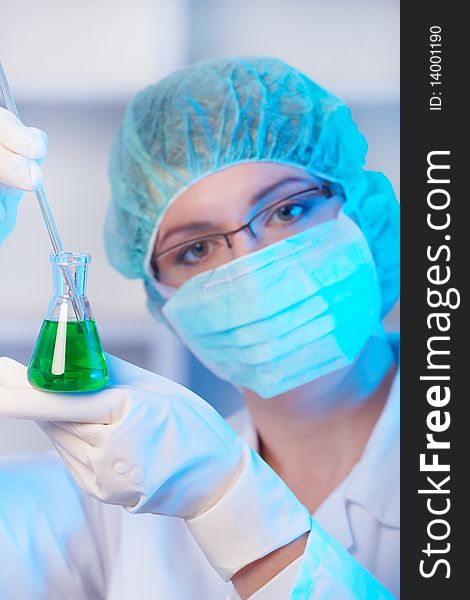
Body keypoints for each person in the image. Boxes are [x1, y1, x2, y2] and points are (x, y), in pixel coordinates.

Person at [0, 57, 399, 599]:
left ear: (361, 209)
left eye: (286, 210)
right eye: (197, 248)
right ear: (162, 297)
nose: (250, 268)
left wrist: (233, 506)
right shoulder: (124, 492)